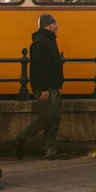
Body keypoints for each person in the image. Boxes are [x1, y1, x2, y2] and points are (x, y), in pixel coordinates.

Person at [11, 13, 65, 160]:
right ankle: (20, 139)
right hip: (46, 88)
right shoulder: (41, 42)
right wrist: (44, 89)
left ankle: (50, 150)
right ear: (47, 25)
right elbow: (40, 68)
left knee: (54, 118)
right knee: (46, 117)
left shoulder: (48, 40)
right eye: (54, 24)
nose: (57, 26)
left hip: (53, 86)